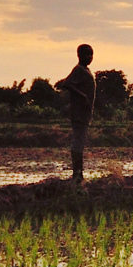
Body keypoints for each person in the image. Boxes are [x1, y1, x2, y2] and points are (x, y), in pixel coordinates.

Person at [53, 44, 96, 184]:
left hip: (84, 112)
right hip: (78, 112)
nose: (89, 57)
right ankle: (77, 174)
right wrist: (82, 95)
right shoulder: (78, 70)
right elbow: (67, 84)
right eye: (86, 54)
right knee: (78, 141)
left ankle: (78, 173)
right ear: (79, 55)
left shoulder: (85, 70)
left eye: (91, 54)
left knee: (80, 141)